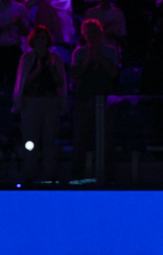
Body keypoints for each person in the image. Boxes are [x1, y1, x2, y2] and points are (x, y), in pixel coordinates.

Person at [12, 25, 67, 183]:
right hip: (31, 103)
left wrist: (50, 67)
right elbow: (23, 82)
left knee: (50, 140)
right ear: (33, 40)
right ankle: (30, 174)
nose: (41, 41)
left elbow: (60, 82)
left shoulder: (55, 58)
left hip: (51, 102)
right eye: (38, 38)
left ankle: (49, 176)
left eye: (43, 38)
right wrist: (38, 70)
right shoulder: (27, 58)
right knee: (30, 140)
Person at [71, 18, 118, 180]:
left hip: (105, 99)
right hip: (84, 99)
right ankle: (78, 175)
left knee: (106, 137)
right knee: (81, 136)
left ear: (101, 33)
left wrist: (101, 57)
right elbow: (75, 74)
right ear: (83, 34)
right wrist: (88, 59)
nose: (92, 35)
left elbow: (113, 73)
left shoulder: (111, 51)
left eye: (95, 31)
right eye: (88, 32)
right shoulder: (79, 53)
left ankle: (108, 176)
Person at [0, 0, 29, 85]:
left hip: (14, 50)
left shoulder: (20, 8)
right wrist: (12, 23)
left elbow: (26, 33)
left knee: (15, 83)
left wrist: (20, 24)